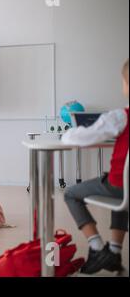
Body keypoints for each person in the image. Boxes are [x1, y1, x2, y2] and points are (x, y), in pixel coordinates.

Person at [62, 59, 129, 274]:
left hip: (119, 187)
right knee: (124, 194)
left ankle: (97, 247)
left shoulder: (120, 117)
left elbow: (80, 137)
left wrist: (68, 134)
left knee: (71, 193)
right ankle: (114, 253)